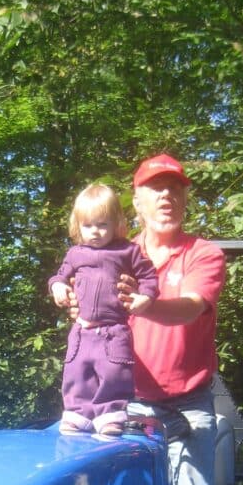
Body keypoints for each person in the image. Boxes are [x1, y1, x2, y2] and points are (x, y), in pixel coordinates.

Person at [123, 154, 227, 485]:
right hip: (129, 402)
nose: (167, 196)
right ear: (137, 200)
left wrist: (149, 305)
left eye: (175, 188)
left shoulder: (202, 255)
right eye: (155, 188)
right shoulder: (120, 255)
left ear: (185, 197)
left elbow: (189, 308)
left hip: (189, 401)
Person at [48, 183, 158, 438]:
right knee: (76, 372)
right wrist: (58, 287)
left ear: (117, 223)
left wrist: (146, 297)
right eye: (88, 226)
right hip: (82, 329)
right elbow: (58, 277)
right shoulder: (75, 253)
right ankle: (78, 415)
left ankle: (109, 414)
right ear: (78, 226)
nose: (95, 232)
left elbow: (149, 277)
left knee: (113, 374)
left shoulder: (128, 251)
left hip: (113, 331)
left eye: (102, 224)